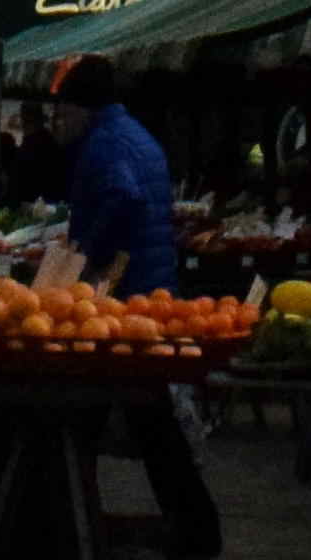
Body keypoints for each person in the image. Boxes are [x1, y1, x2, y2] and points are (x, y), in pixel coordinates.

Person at [55, 71, 220, 560]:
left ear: (81, 108)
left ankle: (76, 524)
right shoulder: (137, 135)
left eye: (61, 112)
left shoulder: (103, 143)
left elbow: (122, 197)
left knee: (104, 415)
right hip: (151, 291)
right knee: (148, 420)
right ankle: (191, 530)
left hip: (124, 302)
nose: (57, 122)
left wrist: (88, 258)